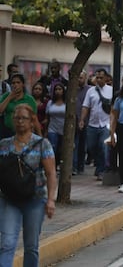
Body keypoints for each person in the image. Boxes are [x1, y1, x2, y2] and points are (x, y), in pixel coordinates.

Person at [0, 104, 57, 266]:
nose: (20, 122)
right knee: (7, 243)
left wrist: (51, 200)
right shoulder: (4, 145)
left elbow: (51, 173)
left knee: (31, 246)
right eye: (17, 118)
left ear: (32, 121)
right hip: (9, 199)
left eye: (24, 118)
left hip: (34, 200)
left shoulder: (42, 144)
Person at [79, 68, 112, 181]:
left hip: (106, 124)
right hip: (92, 124)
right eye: (97, 77)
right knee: (92, 147)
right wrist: (82, 120)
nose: (98, 80)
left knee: (103, 147)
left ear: (106, 78)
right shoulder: (91, 91)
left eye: (101, 77)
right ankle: (99, 166)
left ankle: (102, 170)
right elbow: (86, 106)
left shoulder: (111, 90)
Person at [0, 73, 42, 139]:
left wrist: (40, 137)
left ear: (23, 84)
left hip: (23, 132)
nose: (15, 85)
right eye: (13, 83)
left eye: (18, 82)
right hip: (6, 132)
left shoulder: (29, 99)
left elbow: (35, 119)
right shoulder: (6, 96)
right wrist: (9, 97)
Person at [73, 70, 91, 175]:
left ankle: (81, 166)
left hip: (87, 122)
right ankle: (74, 166)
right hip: (74, 121)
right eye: (78, 77)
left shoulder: (89, 90)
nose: (79, 80)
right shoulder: (72, 90)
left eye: (81, 77)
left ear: (85, 78)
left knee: (83, 146)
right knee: (75, 144)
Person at [45, 83, 66, 169]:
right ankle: (52, 166)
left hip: (64, 129)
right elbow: (47, 117)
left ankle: (61, 165)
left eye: (60, 89)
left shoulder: (66, 103)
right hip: (52, 129)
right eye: (56, 89)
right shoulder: (50, 103)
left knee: (61, 150)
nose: (58, 91)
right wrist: (46, 130)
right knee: (53, 148)